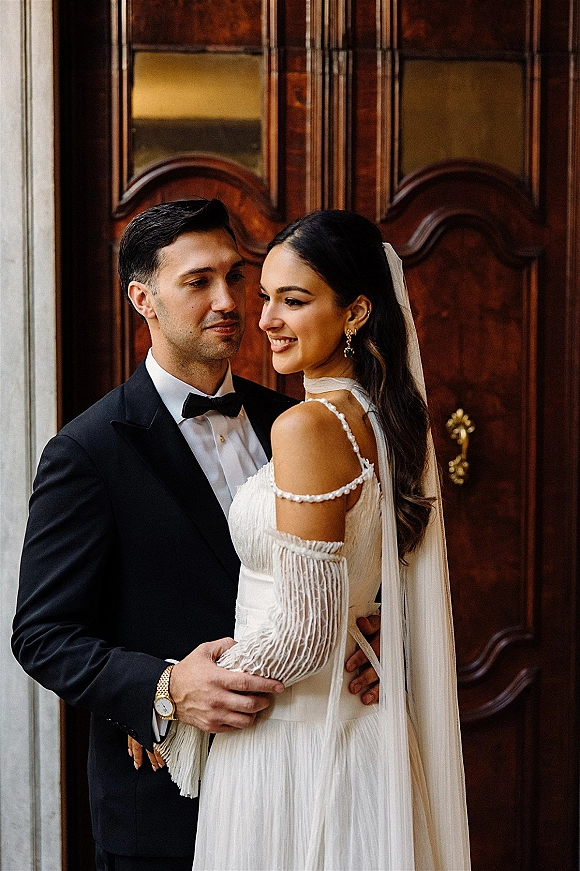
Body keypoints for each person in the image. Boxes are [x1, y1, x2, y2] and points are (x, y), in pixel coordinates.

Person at [160, 209, 471, 870]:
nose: (266, 318)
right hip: (359, 735)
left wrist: (182, 697)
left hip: (292, 745)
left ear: (355, 311)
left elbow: (307, 630)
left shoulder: (307, 426)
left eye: (293, 300)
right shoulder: (386, 416)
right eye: (266, 295)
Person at [12, 199, 306, 871]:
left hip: (298, 773)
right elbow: (42, 634)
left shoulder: (291, 421)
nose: (228, 299)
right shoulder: (86, 451)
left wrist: (362, 630)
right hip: (167, 805)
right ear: (142, 298)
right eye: (198, 281)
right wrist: (165, 689)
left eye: (235, 276)